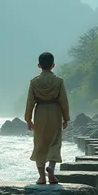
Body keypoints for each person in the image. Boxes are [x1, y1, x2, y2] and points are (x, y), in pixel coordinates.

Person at [25, 52, 70, 185]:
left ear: (39, 66)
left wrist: (28, 119)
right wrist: (66, 118)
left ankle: (41, 177)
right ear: (53, 65)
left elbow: (30, 102)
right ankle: (51, 168)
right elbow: (63, 101)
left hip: (40, 112)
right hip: (55, 112)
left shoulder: (34, 82)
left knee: (40, 143)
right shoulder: (58, 81)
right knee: (54, 142)